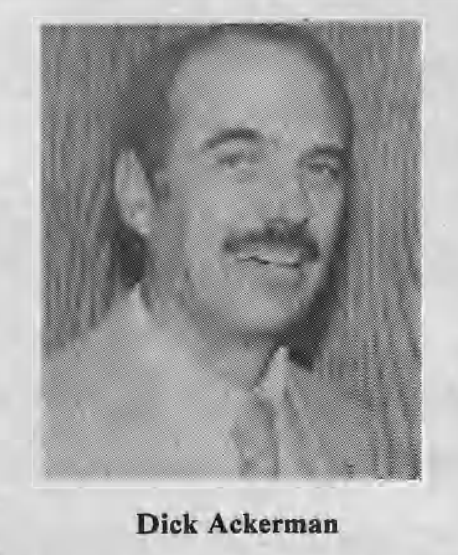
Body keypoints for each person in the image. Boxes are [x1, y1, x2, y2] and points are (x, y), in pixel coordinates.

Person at [42, 23, 410, 479]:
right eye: (239, 160)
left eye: (320, 169)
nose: (293, 208)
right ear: (138, 194)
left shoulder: (361, 442)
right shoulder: (41, 440)